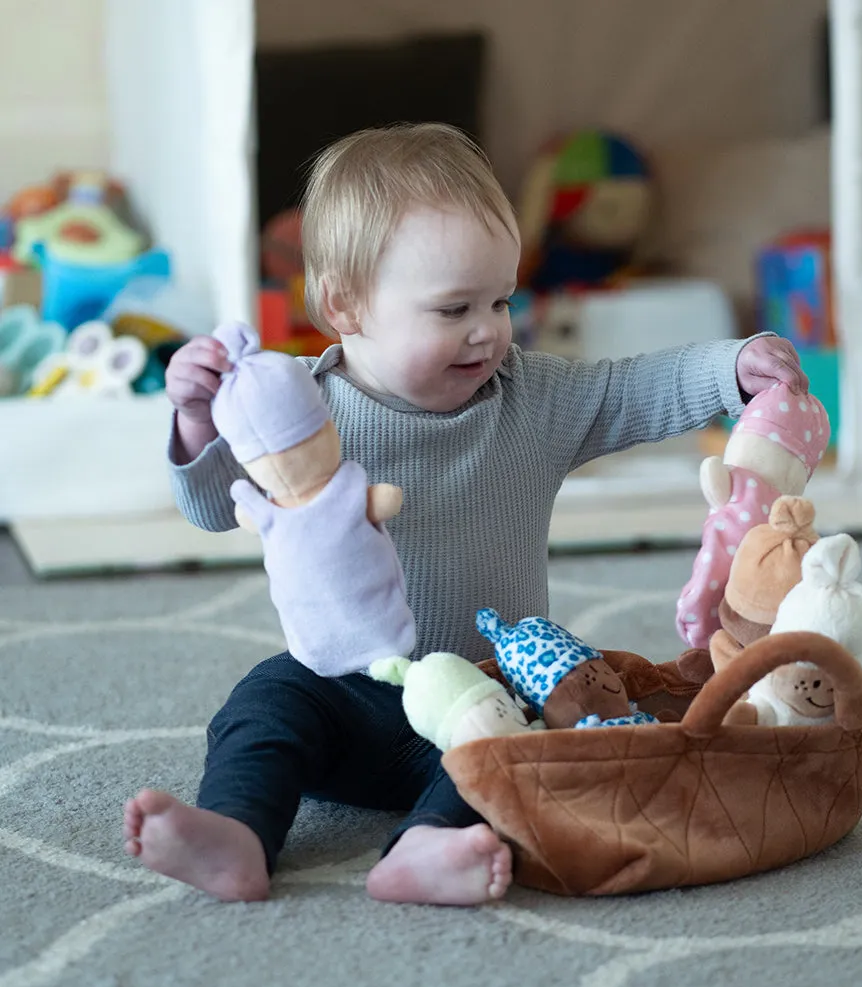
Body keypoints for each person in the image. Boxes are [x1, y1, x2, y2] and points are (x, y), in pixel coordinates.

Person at [122, 122, 808, 906]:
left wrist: (731, 367)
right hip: (348, 691)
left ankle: (425, 848)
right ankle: (236, 833)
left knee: (531, 750)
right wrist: (197, 421)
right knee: (262, 703)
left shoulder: (532, 400)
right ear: (345, 305)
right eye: (453, 309)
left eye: (501, 300)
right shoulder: (301, 414)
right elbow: (215, 508)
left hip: (489, 695)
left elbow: (632, 389)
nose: (487, 330)